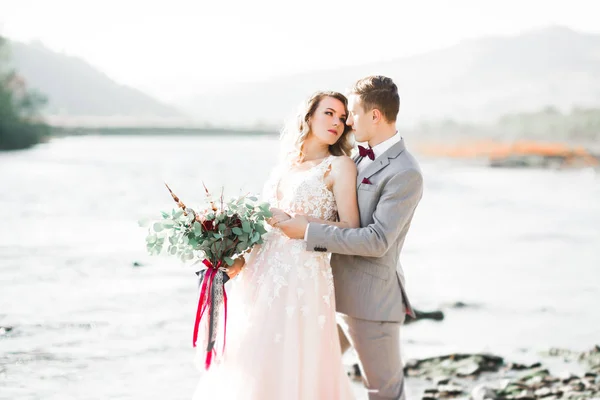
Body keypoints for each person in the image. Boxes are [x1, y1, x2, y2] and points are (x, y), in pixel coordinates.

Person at [192, 90, 359, 400]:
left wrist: (305, 224)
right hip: (258, 275)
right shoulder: (284, 166)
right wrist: (238, 258)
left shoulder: (339, 166)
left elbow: (351, 229)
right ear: (309, 117)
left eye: (342, 117)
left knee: (293, 363)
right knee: (250, 360)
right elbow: (263, 229)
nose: (337, 121)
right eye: (329, 113)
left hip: (302, 277)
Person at [275, 76, 424, 400]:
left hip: (370, 303)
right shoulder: (355, 157)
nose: (347, 122)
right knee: (307, 374)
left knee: (384, 392)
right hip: (327, 292)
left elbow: (376, 240)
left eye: (351, 113)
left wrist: (307, 231)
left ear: (375, 116)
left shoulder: (404, 171)